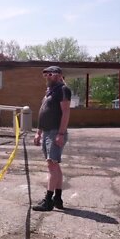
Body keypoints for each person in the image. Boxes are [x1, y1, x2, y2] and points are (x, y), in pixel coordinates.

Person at [33, 66, 71, 211]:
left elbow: (66, 112)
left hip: (55, 132)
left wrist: (60, 134)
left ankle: (48, 201)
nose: (47, 77)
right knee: (55, 166)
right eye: (45, 75)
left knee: (51, 166)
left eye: (50, 74)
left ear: (59, 75)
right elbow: (43, 112)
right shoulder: (49, 92)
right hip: (47, 132)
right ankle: (58, 199)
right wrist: (38, 132)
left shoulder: (63, 90)